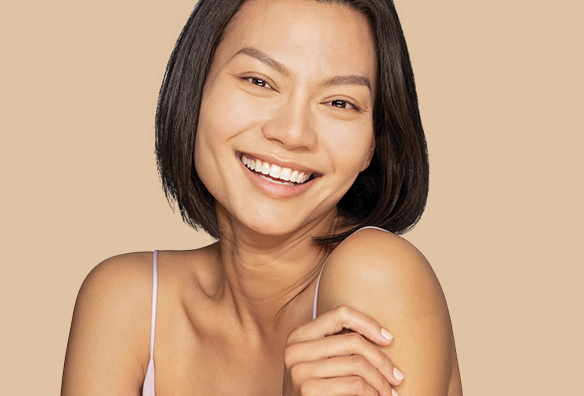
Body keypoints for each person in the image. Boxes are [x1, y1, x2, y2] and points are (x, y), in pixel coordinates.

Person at [61, 0, 463, 394]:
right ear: (196, 86)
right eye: (259, 81)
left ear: (371, 145)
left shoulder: (378, 275)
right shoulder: (123, 300)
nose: (292, 133)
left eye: (340, 102)